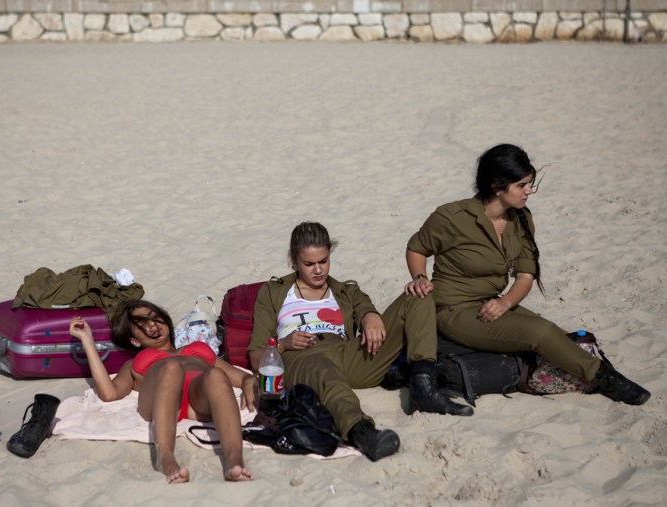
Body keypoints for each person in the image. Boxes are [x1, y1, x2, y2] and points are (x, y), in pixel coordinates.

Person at [403, 143, 649, 406]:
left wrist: (506, 302)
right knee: (540, 333)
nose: (528, 191)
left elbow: (525, 276)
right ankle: (607, 380)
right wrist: (420, 278)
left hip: (493, 301)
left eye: (529, 183)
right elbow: (416, 248)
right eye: (522, 185)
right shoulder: (452, 217)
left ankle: (593, 374)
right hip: (452, 310)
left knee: (554, 334)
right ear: (497, 186)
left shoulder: (520, 219)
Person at [249, 221, 463, 462]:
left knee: (418, 294)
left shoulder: (345, 290)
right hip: (303, 354)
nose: (318, 270)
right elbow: (258, 356)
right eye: (309, 264)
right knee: (326, 373)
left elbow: (364, 304)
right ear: (293, 260)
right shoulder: (273, 292)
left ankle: (424, 387)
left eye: (324, 261)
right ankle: (361, 431)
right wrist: (284, 344)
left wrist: (370, 316)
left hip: (347, 353)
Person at [69, 300, 257, 483]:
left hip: (198, 401)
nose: (152, 325)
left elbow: (242, 377)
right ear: (134, 341)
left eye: (154, 317)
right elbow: (109, 393)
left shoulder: (198, 349)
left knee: (216, 374)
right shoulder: (132, 364)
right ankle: (166, 459)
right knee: (171, 368)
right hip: (161, 399)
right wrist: (87, 341)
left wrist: (249, 381)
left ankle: (234, 461)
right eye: (141, 324)